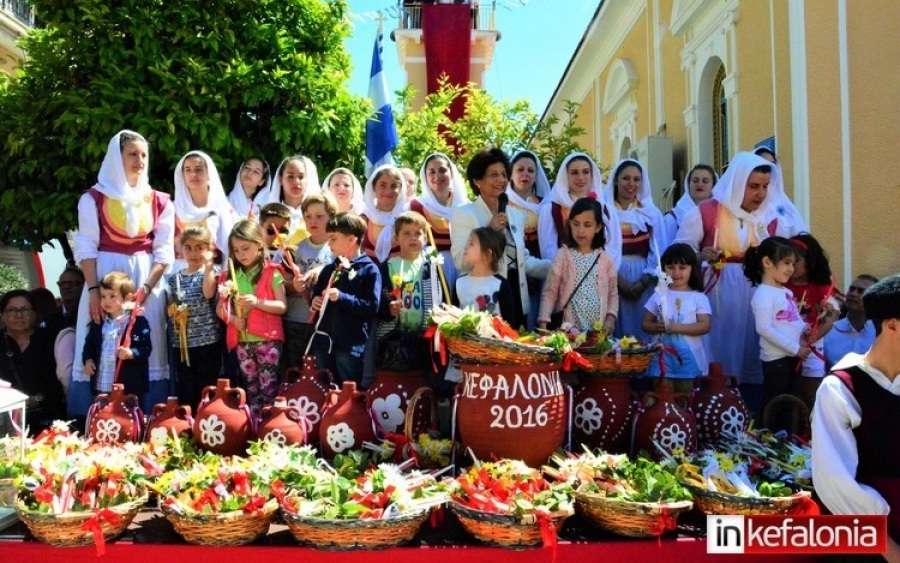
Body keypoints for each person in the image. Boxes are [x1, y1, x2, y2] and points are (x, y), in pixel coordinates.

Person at [71, 130, 174, 418]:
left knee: (143, 341)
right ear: (117, 158)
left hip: (146, 280)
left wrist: (147, 290)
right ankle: (97, 414)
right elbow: (87, 246)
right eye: (132, 154)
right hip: (103, 277)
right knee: (100, 337)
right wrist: (93, 292)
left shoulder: (160, 201)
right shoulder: (93, 199)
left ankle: (147, 414)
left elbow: (164, 251)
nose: (139, 160)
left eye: (143, 155)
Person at [674, 151, 794, 396]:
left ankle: (749, 405)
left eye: (764, 186)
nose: (760, 194)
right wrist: (698, 256)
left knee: (752, 346)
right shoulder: (706, 212)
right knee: (719, 346)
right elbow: (680, 251)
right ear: (738, 183)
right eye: (753, 187)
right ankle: (714, 399)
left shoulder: (770, 218)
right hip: (718, 294)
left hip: (757, 294)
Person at [812, 273, 900, 560]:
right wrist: (892, 551)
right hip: (869, 544)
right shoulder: (840, 388)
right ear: (892, 326)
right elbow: (835, 481)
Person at [450, 148, 549, 329]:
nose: (501, 180)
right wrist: (490, 230)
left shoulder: (516, 215)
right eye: (493, 175)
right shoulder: (464, 214)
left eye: (504, 174)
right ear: (477, 181)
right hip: (485, 298)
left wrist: (557, 267)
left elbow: (522, 260)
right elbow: (460, 261)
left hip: (516, 294)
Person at [217, 219, 287, 417]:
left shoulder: (271, 271)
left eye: (245, 248)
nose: (241, 254)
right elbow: (219, 309)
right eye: (236, 250)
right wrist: (231, 318)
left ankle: (271, 424)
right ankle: (255, 425)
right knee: (251, 388)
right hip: (242, 341)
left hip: (268, 340)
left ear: (259, 244)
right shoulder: (230, 275)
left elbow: (282, 306)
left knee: (269, 387)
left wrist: (257, 302)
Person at [744, 236, 809, 428]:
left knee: (790, 404)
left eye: (793, 264)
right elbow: (763, 328)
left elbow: (793, 321)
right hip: (776, 361)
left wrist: (806, 330)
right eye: (786, 263)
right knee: (775, 403)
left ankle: (788, 443)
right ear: (767, 262)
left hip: (793, 358)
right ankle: (768, 441)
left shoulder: (786, 292)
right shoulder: (764, 294)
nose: (791, 269)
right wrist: (795, 349)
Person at [309, 212, 381, 385]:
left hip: (349, 344)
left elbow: (372, 306)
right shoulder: (329, 269)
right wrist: (315, 301)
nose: (329, 243)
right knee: (322, 386)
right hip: (323, 340)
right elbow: (317, 294)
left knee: (347, 388)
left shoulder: (369, 270)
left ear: (351, 240)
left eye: (333, 238)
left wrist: (342, 297)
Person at [603, 158, 665, 341]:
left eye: (636, 179)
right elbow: (600, 248)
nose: (631, 184)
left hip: (644, 274)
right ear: (616, 180)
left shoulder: (651, 213)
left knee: (643, 325)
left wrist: (643, 281)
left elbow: (659, 249)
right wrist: (619, 280)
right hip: (612, 273)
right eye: (626, 178)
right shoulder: (604, 211)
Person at [538, 197, 618, 335]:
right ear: (570, 224)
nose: (580, 230)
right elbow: (550, 292)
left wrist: (610, 317)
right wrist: (543, 322)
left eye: (587, 225)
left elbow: (613, 294)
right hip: (567, 331)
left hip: (597, 332)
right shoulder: (562, 256)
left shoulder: (606, 259)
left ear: (598, 227)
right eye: (576, 224)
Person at [375, 211, 443, 373]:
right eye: (406, 233)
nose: (413, 238)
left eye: (418, 233)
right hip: (393, 337)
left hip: (425, 337)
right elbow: (378, 299)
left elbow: (442, 299)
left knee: (423, 377)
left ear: (425, 238)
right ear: (396, 238)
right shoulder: (387, 267)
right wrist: (388, 309)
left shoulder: (432, 268)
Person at [641, 243, 711, 394]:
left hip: (687, 361)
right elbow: (645, 323)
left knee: (685, 397)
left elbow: (705, 326)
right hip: (661, 358)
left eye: (682, 267)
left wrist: (677, 328)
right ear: (663, 268)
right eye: (671, 267)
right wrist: (656, 327)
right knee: (662, 396)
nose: (676, 272)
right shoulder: (658, 295)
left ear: (692, 269)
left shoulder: (698, 297)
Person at [281, 192, 336, 374]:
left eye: (320, 216)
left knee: (320, 370)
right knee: (294, 369)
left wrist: (321, 271)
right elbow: (281, 285)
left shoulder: (336, 248)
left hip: (324, 322)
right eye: (308, 216)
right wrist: (293, 286)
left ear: (332, 217)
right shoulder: (295, 248)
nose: (313, 221)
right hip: (295, 320)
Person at [165, 226, 221, 407]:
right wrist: (174, 311)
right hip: (182, 343)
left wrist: (209, 266)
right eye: (188, 247)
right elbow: (170, 305)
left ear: (208, 249)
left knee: (206, 383)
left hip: (206, 340)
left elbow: (208, 293)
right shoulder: (174, 278)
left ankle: (206, 418)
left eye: (199, 247)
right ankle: (188, 422)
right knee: (186, 384)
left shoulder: (211, 272)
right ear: (180, 249)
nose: (193, 252)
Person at [784, 233, 840, 408]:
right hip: (784, 345)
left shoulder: (820, 287)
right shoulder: (781, 285)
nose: (791, 267)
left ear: (810, 262)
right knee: (787, 391)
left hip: (812, 346)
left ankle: (809, 430)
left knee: (810, 393)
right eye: (787, 262)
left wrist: (813, 338)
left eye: (796, 262)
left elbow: (831, 315)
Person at [537, 152, 621, 267]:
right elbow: (548, 250)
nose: (580, 177)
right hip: (563, 276)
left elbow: (613, 248)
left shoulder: (606, 209)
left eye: (585, 172)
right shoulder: (551, 210)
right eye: (574, 173)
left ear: (592, 175)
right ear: (566, 176)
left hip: (598, 275)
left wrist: (598, 273)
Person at [0, 290, 65, 435]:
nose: (18, 315)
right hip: (5, 419)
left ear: (35, 313)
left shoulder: (50, 340)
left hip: (46, 418)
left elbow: (60, 379)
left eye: (25, 309)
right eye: (11, 310)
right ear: (2, 315)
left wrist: (38, 398)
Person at [83, 271, 152, 403]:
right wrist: (88, 360)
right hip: (102, 385)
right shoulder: (99, 323)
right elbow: (89, 345)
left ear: (127, 297)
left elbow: (146, 348)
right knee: (103, 417)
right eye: (103, 296)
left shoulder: (136, 322)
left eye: (112, 296)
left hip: (128, 386)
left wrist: (131, 353)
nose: (106, 301)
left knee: (128, 418)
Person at [410, 152, 469, 289]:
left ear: (451, 173)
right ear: (425, 177)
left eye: (442, 170)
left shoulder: (466, 206)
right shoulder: (416, 206)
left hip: (465, 270)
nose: (437, 176)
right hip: (430, 273)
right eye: (432, 172)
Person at [507, 150, 551, 329]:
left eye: (530, 170)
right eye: (520, 169)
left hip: (542, 270)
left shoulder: (545, 204)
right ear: (511, 173)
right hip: (514, 270)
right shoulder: (503, 203)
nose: (525, 174)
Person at [173, 150, 235, 266]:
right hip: (178, 273)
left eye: (198, 169)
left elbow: (230, 247)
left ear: (209, 173)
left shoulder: (223, 209)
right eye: (188, 170)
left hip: (214, 272)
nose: (193, 174)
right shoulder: (173, 209)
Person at [453, 226, 515, 320]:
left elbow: (509, 324)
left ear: (487, 254)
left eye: (471, 244)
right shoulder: (459, 283)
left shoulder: (501, 285)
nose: (466, 247)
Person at [824, 274, 878, 370]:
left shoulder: (883, 332)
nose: (853, 294)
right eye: (852, 289)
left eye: (861, 291)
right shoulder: (829, 330)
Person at [753, 147, 808, 236]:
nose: (767, 169)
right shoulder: (752, 202)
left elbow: (801, 234)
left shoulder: (785, 203)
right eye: (763, 165)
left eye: (772, 165)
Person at [268, 155, 321, 246]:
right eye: (290, 177)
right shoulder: (269, 214)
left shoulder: (319, 214)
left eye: (301, 177)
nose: (296, 182)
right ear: (280, 179)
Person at [361, 165, 408, 264]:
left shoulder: (407, 217)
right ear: (374, 187)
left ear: (401, 189)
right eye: (382, 185)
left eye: (394, 186)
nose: (388, 191)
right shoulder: (363, 217)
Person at [663, 164, 717, 247]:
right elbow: (667, 251)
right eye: (695, 180)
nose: (700, 184)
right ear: (688, 184)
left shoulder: (720, 213)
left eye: (705, 181)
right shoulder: (673, 218)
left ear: (713, 185)